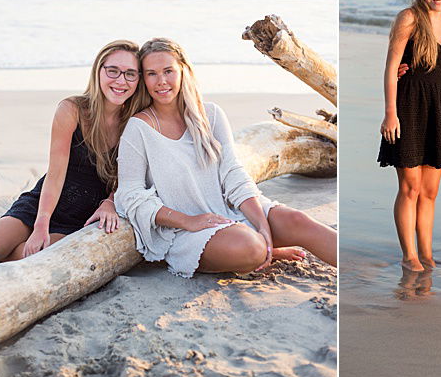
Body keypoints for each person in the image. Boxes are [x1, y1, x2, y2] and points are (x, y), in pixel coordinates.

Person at [114, 38, 336, 278]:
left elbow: (233, 173)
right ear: (144, 79)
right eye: (152, 74)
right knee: (252, 247)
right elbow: (130, 195)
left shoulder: (210, 114)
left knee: (298, 220)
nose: (162, 81)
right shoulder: (138, 128)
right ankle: (265, 250)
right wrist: (189, 221)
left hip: (230, 210)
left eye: (168, 71)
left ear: (183, 72)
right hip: (187, 232)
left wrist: (263, 226)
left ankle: (369, 276)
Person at [0, 40, 145, 263]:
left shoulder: (136, 121)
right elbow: (55, 174)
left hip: (80, 219)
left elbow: (131, 176)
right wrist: (40, 225)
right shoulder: (73, 109)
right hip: (42, 205)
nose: (121, 80)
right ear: (98, 71)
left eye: (130, 74)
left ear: (138, 79)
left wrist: (110, 201)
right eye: (113, 71)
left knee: (30, 259)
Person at [378, 0, 441, 272]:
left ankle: (427, 253)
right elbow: (390, 67)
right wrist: (390, 114)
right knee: (409, 186)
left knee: (430, 191)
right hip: (408, 108)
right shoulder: (409, 18)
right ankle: (409, 255)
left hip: (440, 110)